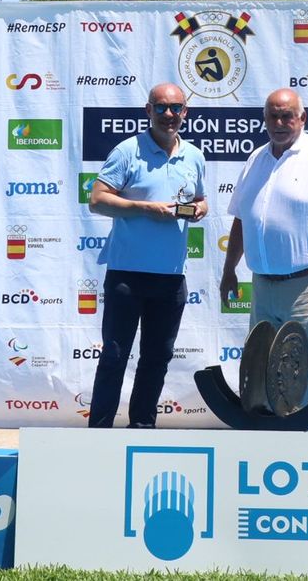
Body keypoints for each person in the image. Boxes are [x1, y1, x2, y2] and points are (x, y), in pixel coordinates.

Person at [219, 87, 308, 406]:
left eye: (287, 116)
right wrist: (229, 270)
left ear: (302, 118)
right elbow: (242, 219)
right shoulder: (256, 159)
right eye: (273, 116)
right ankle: (267, 435)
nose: (279, 123)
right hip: (262, 286)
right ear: (265, 118)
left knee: (305, 372)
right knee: (260, 371)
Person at [86, 82, 207, 428]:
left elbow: (200, 199)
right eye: (161, 107)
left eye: (176, 108)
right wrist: (144, 208)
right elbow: (97, 200)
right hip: (127, 275)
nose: (169, 114)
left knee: (157, 359)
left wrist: (200, 209)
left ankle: (142, 428)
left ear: (185, 112)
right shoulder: (127, 151)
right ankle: (98, 433)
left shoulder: (194, 156)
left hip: (171, 277)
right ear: (148, 110)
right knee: (114, 356)